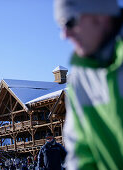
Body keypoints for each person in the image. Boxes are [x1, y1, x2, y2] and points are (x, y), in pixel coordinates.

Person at [54, 0, 123, 169]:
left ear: (100, 16)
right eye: (61, 26)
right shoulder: (80, 78)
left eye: (69, 22)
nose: (64, 35)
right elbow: (81, 149)